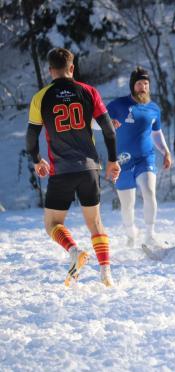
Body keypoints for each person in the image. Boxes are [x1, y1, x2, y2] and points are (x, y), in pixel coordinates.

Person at [25, 47, 120, 287]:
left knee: (52, 224)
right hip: (89, 169)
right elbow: (108, 129)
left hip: (61, 171)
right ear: (72, 68)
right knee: (95, 222)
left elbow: (31, 136)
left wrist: (37, 159)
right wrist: (112, 159)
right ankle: (106, 272)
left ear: (50, 70)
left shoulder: (41, 97)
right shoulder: (89, 91)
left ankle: (74, 251)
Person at [107, 66, 172, 247]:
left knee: (149, 192)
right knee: (127, 204)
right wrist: (108, 124)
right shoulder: (118, 105)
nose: (143, 87)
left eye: (146, 83)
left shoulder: (153, 108)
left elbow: (156, 134)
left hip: (146, 158)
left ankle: (150, 234)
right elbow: (96, 123)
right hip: (123, 161)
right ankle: (131, 234)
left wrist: (165, 151)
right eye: (139, 84)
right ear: (132, 86)